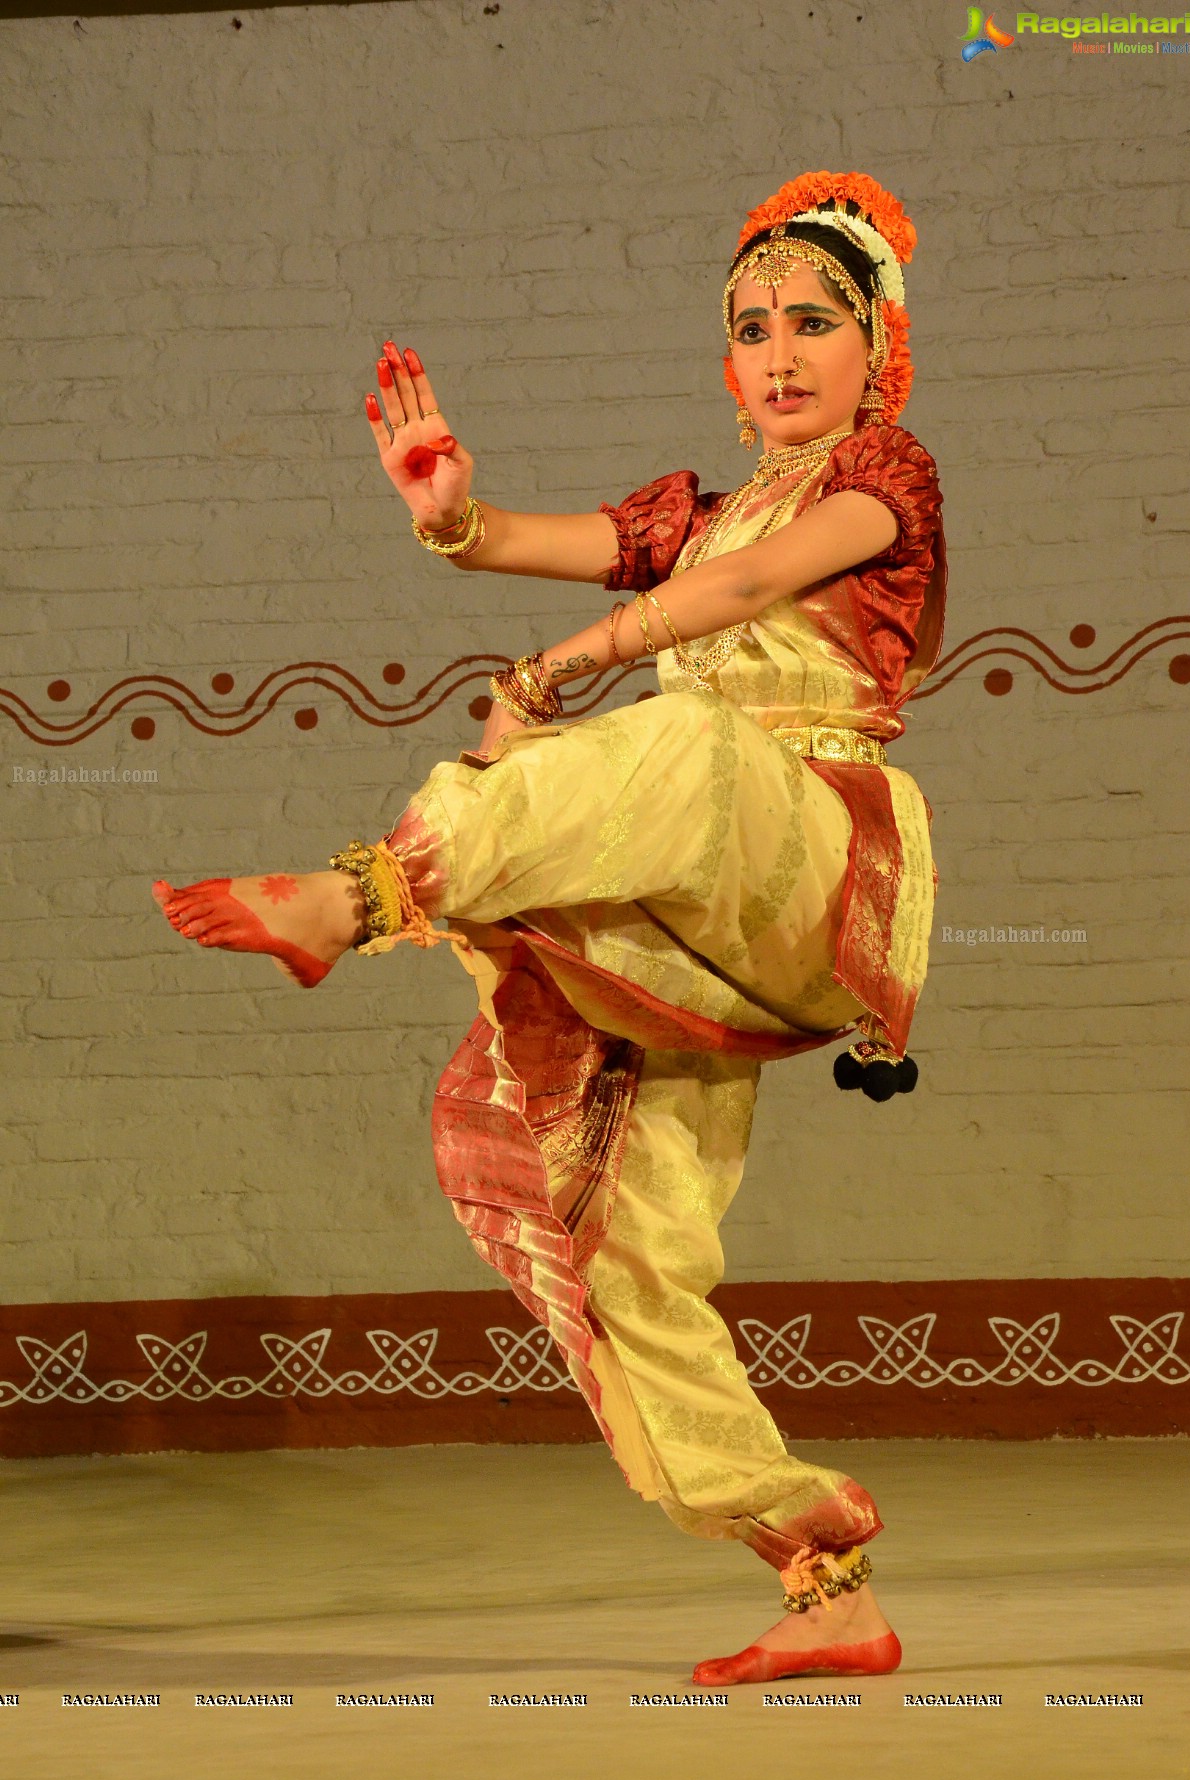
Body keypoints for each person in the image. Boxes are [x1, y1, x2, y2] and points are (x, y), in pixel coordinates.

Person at [153, 169, 946, 1686]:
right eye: (752, 328)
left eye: (815, 324)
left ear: (876, 352)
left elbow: (752, 584)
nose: (780, 352)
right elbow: (556, 539)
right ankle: (818, 1570)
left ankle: (362, 895)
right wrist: (452, 517)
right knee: (563, 1199)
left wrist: (580, 655)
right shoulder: (694, 509)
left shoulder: (884, 482)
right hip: (682, 910)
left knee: (680, 741)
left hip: (798, 846)